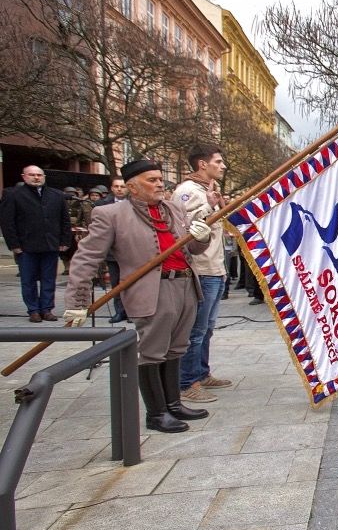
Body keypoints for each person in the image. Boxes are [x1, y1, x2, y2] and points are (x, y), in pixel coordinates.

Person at [63, 158, 214, 433]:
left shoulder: (173, 208)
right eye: (152, 180)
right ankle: (156, 413)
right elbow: (87, 258)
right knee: (153, 351)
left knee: (177, 347)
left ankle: (173, 404)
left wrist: (201, 237)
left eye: (160, 179)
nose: (160, 184)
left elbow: (191, 250)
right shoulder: (111, 214)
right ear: (132, 187)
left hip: (185, 285)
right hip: (151, 290)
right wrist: (77, 302)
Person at [175, 144, 232, 404]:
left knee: (207, 328)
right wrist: (209, 208)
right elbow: (185, 229)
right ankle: (187, 382)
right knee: (196, 330)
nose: (222, 166)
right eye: (218, 162)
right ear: (202, 164)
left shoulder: (207, 190)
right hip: (200, 269)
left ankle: (202, 372)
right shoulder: (187, 191)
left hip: (215, 267)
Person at [0, 165, 72, 322]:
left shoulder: (56, 195)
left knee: (48, 279)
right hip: (26, 246)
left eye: (39, 175)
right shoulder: (13, 195)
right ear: (24, 177)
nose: (36, 177)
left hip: (50, 244)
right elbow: (7, 222)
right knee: (28, 280)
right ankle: (33, 310)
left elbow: (64, 220)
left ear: (44, 176)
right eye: (32, 175)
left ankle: (46, 309)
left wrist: (65, 240)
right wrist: (14, 244)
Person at [94, 177, 129, 322]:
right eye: (116, 186)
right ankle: (119, 311)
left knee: (131, 284)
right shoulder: (101, 205)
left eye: (122, 186)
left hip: (131, 253)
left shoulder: (136, 204)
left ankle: (132, 312)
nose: (119, 189)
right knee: (116, 284)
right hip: (112, 253)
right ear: (112, 188)